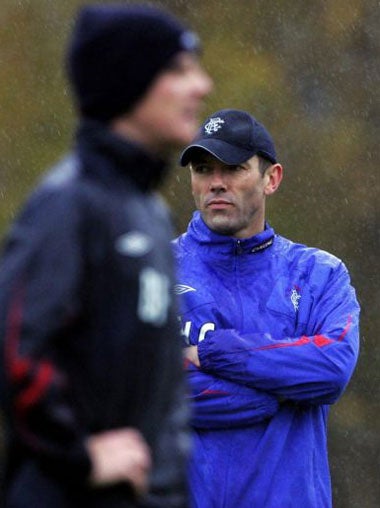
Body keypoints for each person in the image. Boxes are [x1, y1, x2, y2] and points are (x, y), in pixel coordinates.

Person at [0, 4, 212, 508]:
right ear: (129, 81)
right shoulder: (70, 203)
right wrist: (78, 457)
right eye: (179, 70)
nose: (201, 85)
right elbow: (12, 348)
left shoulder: (148, 211)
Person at [173, 108, 360, 508]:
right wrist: (276, 391)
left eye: (234, 168)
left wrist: (214, 353)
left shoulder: (319, 274)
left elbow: (330, 368)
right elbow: (144, 388)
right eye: (204, 169)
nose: (216, 183)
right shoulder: (154, 270)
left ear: (271, 178)